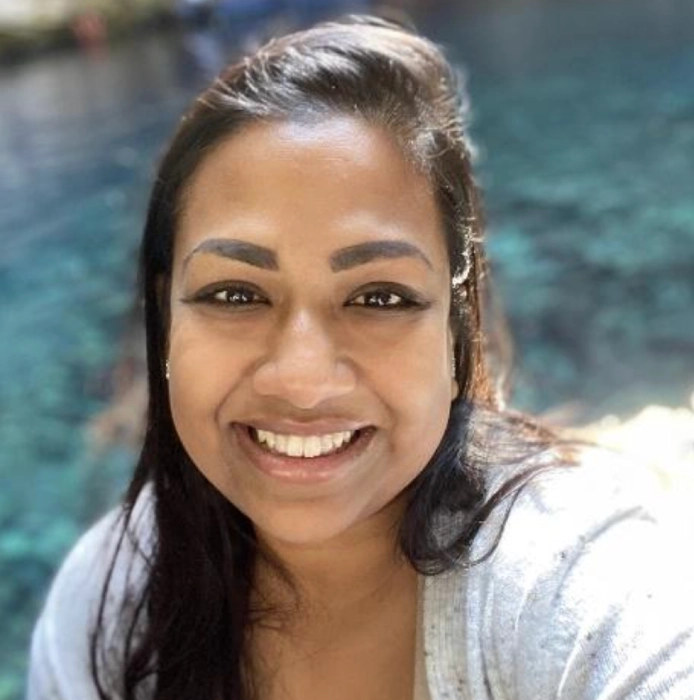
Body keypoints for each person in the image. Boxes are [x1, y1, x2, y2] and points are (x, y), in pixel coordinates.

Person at [28, 14, 694, 700]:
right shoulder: (106, 607)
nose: (303, 378)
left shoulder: (568, 578)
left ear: (455, 323)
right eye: (235, 293)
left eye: (379, 297)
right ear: (166, 314)